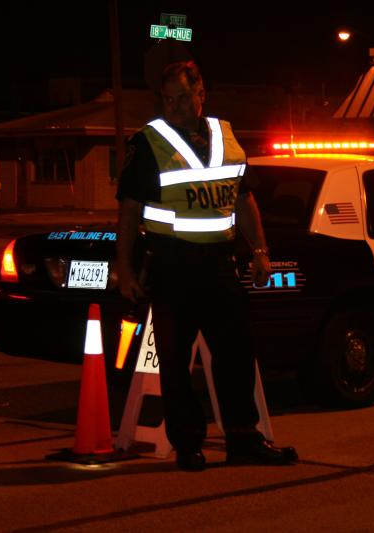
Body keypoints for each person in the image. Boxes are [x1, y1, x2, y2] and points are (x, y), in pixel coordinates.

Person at [116, 61, 298, 471]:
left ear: (202, 94)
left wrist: (260, 251)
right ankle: (188, 445)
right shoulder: (147, 143)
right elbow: (129, 211)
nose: (175, 106)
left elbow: (244, 199)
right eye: (168, 99)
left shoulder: (226, 136)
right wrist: (125, 270)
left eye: (183, 97)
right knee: (176, 363)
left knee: (236, 354)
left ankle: (243, 440)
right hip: (170, 266)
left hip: (218, 264)